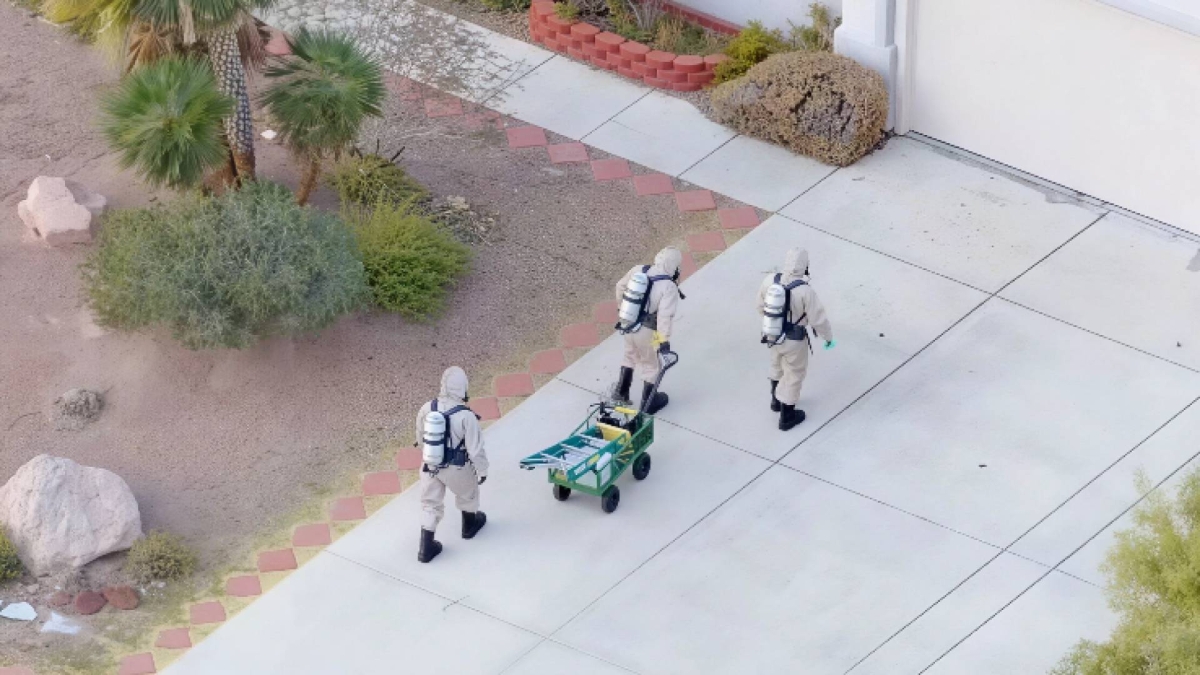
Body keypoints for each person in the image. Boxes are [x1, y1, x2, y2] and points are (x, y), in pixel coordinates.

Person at [414, 366, 489, 563]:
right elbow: (475, 449)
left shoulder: (427, 408)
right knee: (468, 494)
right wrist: (483, 470)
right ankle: (469, 527)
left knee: (430, 504)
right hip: (457, 466)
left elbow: (420, 438)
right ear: (462, 387)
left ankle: (425, 549)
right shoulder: (466, 416)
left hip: (430, 465)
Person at [757, 247, 834, 431]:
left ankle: (775, 401)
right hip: (794, 340)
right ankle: (787, 416)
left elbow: (760, 306)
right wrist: (828, 338)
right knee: (794, 373)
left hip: (772, 334)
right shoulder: (805, 291)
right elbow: (818, 320)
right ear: (805, 265)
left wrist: (773, 324)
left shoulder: (770, 280)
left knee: (776, 364)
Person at [613, 247, 682, 414]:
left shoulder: (639, 269)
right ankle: (648, 402)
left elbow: (620, 286)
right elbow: (665, 317)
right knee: (651, 365)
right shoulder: (669, 286)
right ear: (673, 266)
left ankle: (621, 391)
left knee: (629, 355)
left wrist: (622, 310)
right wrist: (663, 342)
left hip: (628, 323)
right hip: (648, 330)